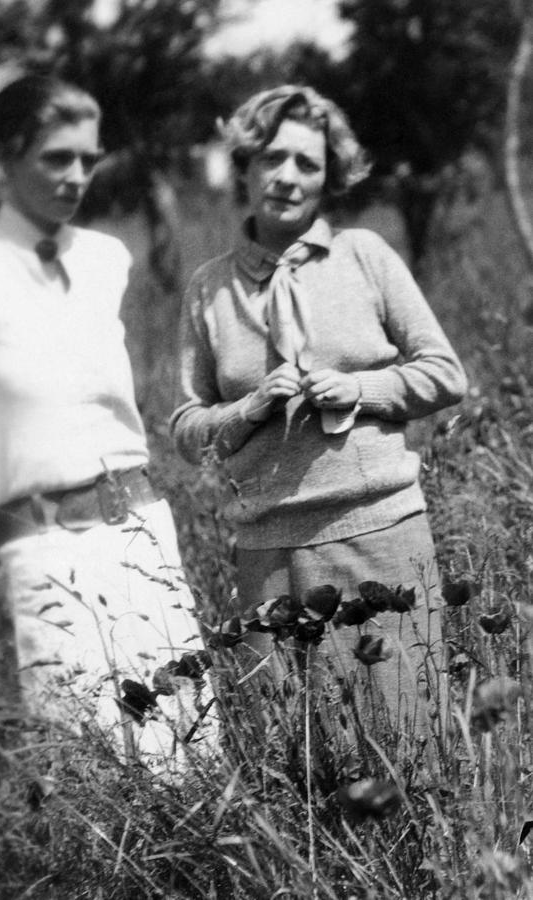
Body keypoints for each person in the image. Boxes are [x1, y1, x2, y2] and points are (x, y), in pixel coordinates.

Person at [170, 85, 467, 736]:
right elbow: (187, 428)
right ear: (244, 165)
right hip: (269, 554)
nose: (287, 176)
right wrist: (246, 408)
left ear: (329, 177)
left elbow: (446, 373)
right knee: (297, 758)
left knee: (411, 739)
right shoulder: (209, 288)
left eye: (308, 163)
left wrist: (359, 390)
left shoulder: (365, 256)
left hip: (380, 534)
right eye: (273, 157)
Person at [0, 74, 215, 767]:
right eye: (55, 158)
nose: (76, 176)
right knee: (86, 771)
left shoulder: (107, 260)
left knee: (184, 752)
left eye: (88, 159)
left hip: (139, 535)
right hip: (39, 547)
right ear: (8, 156)